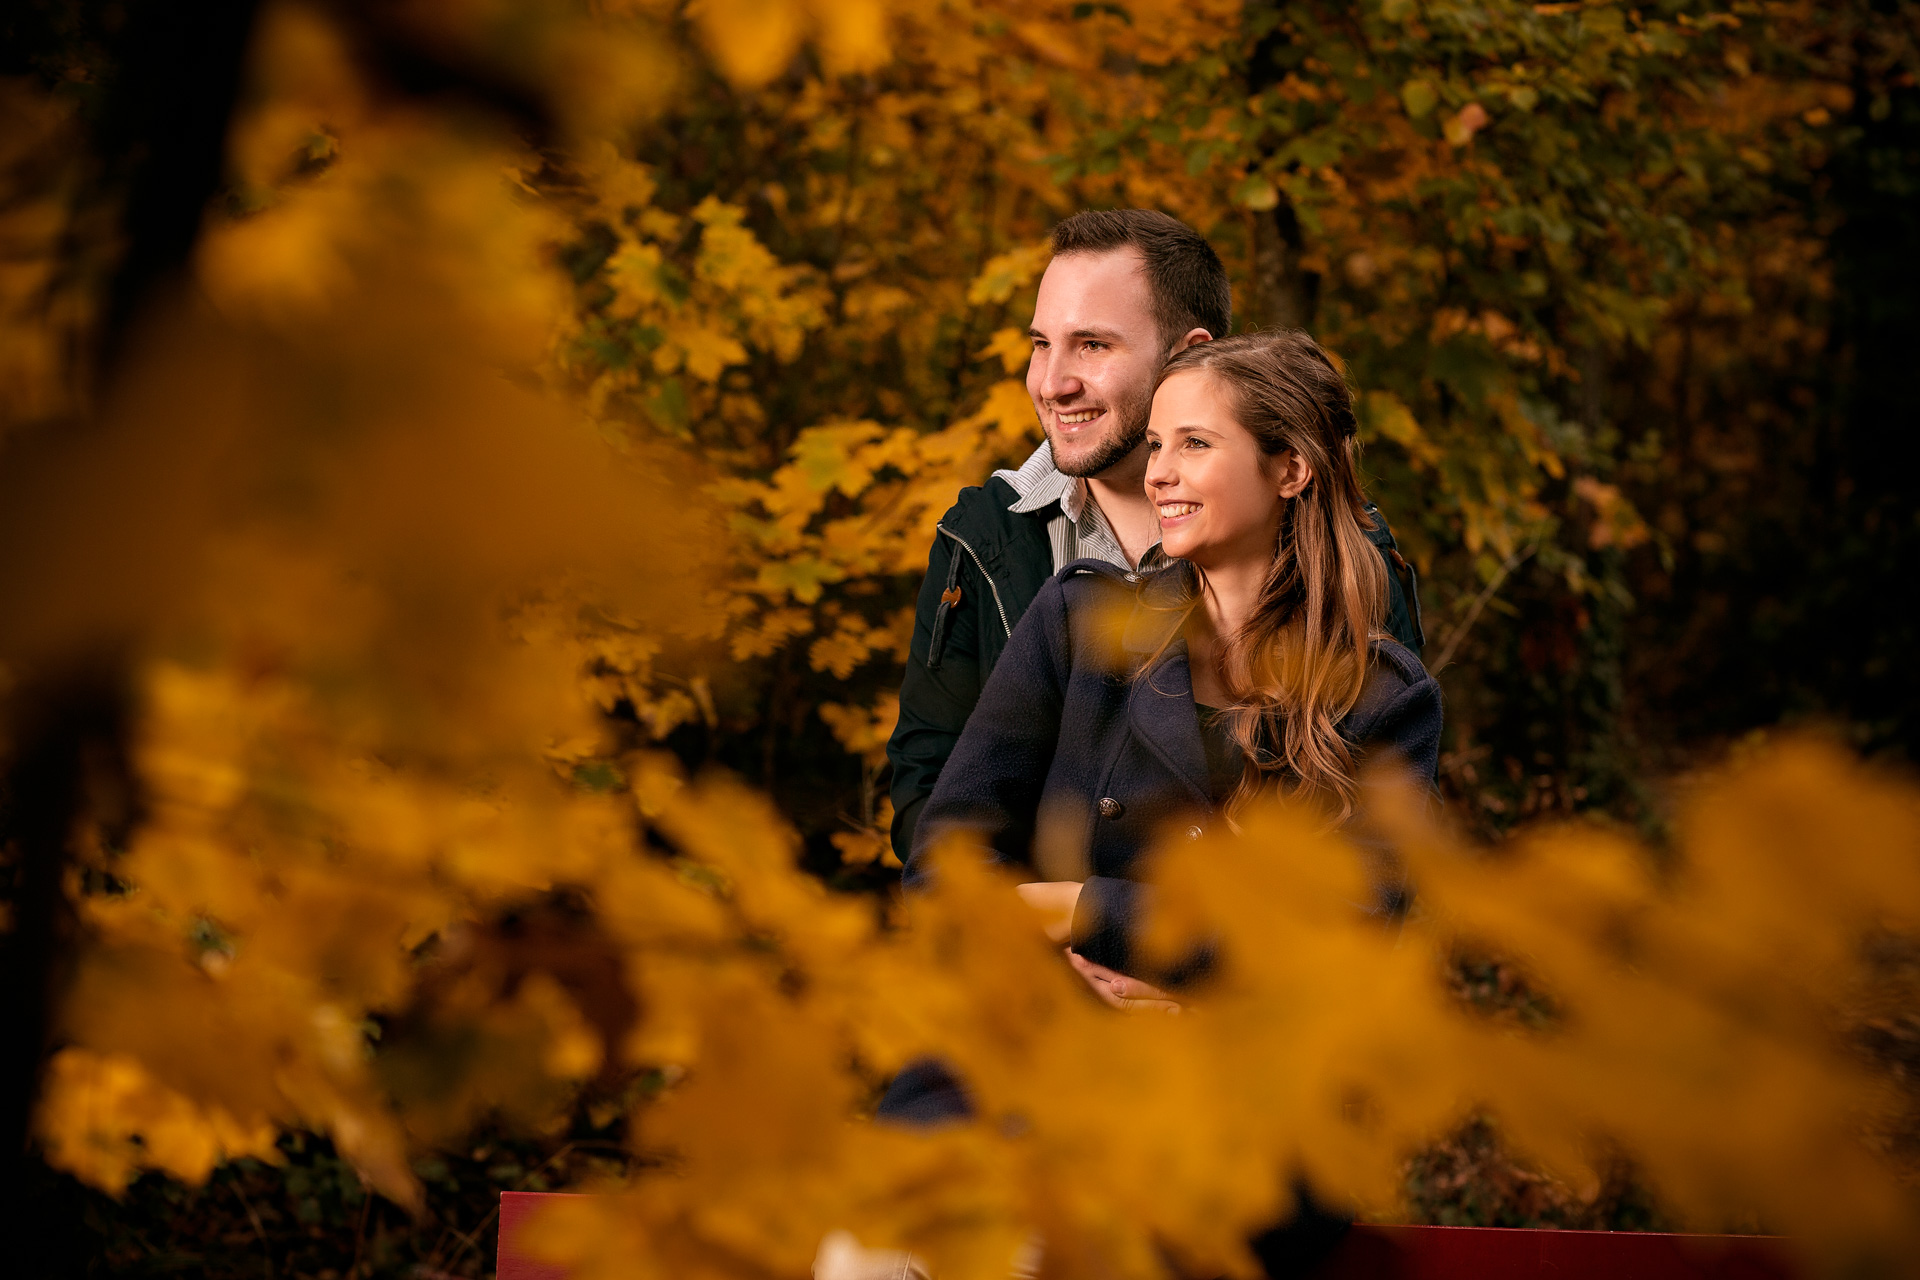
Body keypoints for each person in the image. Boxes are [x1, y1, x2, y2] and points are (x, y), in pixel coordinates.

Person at [886, 210, 1424, 885]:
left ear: (1184, 352)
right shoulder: (990, 537)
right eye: (1041, 343)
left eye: (1091, 345)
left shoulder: (1343, 551)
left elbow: (1382, 842)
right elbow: (929, 800)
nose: (1052, 382)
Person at [906, 329, 1443, 1000]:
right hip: (1035, 1044)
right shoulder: (1081, 623)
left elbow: (1349, 947)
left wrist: (1081, 909)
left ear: (1290, 470)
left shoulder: (1381, 697)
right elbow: (946, 868)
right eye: (1155, 444)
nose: (1157, 473)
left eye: (1195, 443)